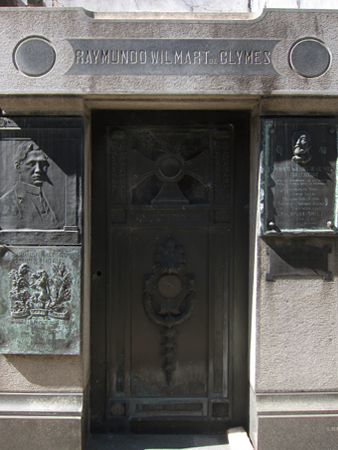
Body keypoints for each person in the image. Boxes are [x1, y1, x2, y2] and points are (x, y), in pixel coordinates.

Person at [0, 140, 57, 229]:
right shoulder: (5, 204)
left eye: (42, 164)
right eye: (31, 164)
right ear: (18, 166)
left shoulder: (45, 198)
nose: (38, 170)